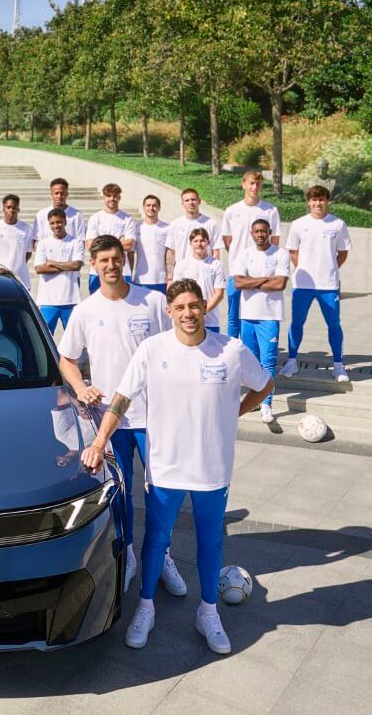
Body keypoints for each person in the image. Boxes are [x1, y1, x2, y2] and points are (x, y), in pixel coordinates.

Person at [81, 278, 273, 655]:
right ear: (169, 312)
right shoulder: (153, 349)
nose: (188, 313)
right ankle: (147, 607)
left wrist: (235, 412)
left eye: (194, 305)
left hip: (212, 467)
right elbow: (121, 399)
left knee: (211, 542)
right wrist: (99, 441)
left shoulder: (231, 351)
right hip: (166, 466)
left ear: (205, 307)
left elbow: (265, 384)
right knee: (156, 540)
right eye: (180, 307)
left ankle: (208, 612)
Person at [57, 235, 185, 594]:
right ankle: (128, 554)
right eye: (103, 261)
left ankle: (162, 557)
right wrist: (81, 387)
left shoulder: (154, 301)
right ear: (93, 265)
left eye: (116, 258)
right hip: (109, 419)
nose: (111, 265)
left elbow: (175, 348)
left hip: (155, 415)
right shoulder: (85, 311)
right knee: (123, 491)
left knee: (161, 491)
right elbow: (66, 358)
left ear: (125, 260)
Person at [280, 185, 352, 383]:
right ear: (308, 202)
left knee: (334, 325)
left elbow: (343, 252)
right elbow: (293, 251)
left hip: (328, 285)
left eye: (321, 200)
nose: (317, 203)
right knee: (296, 324)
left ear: (327, 201)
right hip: (303, 285)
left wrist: (331, 269)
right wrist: (303, 268)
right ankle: (292, 361)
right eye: (314, 200)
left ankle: (338, 365)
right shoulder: (298, 224)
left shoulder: (338, 224)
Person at [234, 219, 290, 423]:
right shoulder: (245, 254)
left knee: (268, 361)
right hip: (247, 315)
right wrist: (265, 279)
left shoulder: (280, 253)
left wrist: (252, 282)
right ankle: (255, 400)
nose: (260, 234)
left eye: (263, 231)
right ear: (251, 232)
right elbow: (238, 282)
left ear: (269, 232)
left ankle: (267, 404)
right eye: (256, 231)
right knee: (252, 361)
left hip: (270, 315)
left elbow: (280, 284)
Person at [221, 171, 281, 338]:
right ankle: (232, 350)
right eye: (251, 183)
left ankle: (255, 352)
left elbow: (274, 240)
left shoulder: (270, 210)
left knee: (259, 315)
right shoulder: (232, 211)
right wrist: (239, 259)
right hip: (237, 272)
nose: (254, 187)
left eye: (258, 184)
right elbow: (227, 240)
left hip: (261, 274)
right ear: (244, 184)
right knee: (233, 316)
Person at [33, 208, 84, 335]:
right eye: (53, 223)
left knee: (73, 336)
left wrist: (52, 263)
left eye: (59, 222)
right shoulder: (43, 243)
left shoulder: (75, 242)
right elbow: (39, 268)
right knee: (46, 337)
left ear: (65, 222)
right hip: (48, 300)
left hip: (70, 299)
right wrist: (67, 265)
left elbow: (77, 265)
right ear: (49, 224)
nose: (56, 225)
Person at [84, 183, 138, 294]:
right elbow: (90, 245)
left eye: (115, 196)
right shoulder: (95, 218)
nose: (112, 198)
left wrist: (101, 242)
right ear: (104, 197)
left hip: (123, 270)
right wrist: (119, 241)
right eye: (109, 196)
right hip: (97, 271)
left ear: (119, 197)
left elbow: (129, 244)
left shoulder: (127, 219)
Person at [172, 228, 227, 333]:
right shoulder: (181, 265)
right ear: (190, 243)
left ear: (208, 242)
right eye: (195, 241)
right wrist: (190, 312)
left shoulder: (216, 265)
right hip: (187, 321)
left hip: (211, 321)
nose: (199, 244)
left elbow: (219, 294)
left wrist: (203, 311)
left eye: (202, 240)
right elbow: (177, 293)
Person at [165, 188, 223, 282]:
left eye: (193, 199)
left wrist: (214, 273)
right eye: (187, 200)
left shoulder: (211, 224)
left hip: (205, 273)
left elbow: (216, 251)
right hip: (182, 273)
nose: (190, 202)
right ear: (182, 203)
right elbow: (171, 252)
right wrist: (170, 278)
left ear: (199, 201)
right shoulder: (175, 224)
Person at [0, 193, 34, 289]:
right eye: (8, 207)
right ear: (3, 209)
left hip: (21, 280)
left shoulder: (26, 229)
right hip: (0, 278)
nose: (11, 210)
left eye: (14, 207)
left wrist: (18, 264)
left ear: (18, 210)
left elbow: (28, 253)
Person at [34, 177, 85, 249]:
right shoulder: (41, 215)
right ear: (51, 194)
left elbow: (81, 240)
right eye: (56, 193)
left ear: (67, 194)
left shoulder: (77, 215)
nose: (59, 196)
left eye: (62, 193)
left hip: (69, 257)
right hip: (48, 257)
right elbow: (37, 241)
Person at [134, 195, 169, 294]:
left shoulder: (167, 228)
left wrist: (170, 277)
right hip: (140, 279)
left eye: (154, 205)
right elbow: (131, 253)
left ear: (159, 207)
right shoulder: (136, 227)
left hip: (161, 279)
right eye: (148, 205)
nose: (151, 208)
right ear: (144, 207)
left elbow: (171, 254)